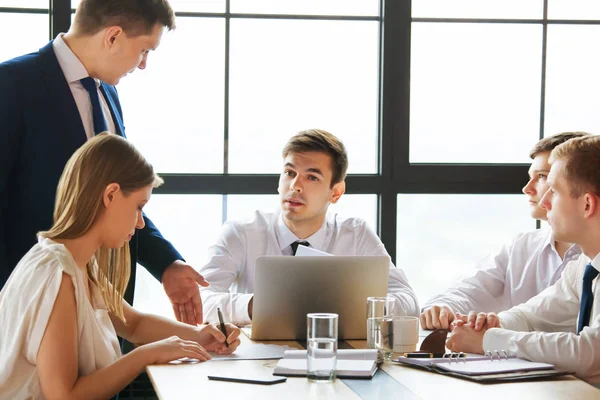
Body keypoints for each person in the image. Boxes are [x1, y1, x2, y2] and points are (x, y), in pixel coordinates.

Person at [0, 0, 207, 325]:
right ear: (113, 37)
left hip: (109, 309)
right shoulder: (10, 85)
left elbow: (116, 197)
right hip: (31, 311)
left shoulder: (108, 95)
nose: (143, 65)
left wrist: (167, 264)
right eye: (144, 50)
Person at [0, 133, 241, 399]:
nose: (140, 223)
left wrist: (200, 335)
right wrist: (148, 354)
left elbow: (134, 324)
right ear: (111, 194)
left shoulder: (79, 263)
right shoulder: (58, 274)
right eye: (139, 207)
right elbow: (64, 396)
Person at [199, 129, 419, 325]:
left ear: (336, 192)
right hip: (256, 361)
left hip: (336, 355)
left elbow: (408, 301)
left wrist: (350, 305)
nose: (295, 186)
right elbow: (201, 299)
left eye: (312, 177)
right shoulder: (241, 232)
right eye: (289, 173)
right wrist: (254, 305)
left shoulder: (356, 234)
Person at [446, 134, 600, 383]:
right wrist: (492, 324)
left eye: (555, 192)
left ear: (587, 205)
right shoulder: (586, 265)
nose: (545, 202)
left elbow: (591, 352)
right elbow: (532, 316)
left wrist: (488, 340)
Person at [420, 132, 589, 330]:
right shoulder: (522, 246)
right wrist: (442, 308)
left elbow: (585, 348)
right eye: (530, 177)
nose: (527, 188)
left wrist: (492, 336)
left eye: (542, 177)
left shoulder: (590, 257)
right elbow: (472, 288)